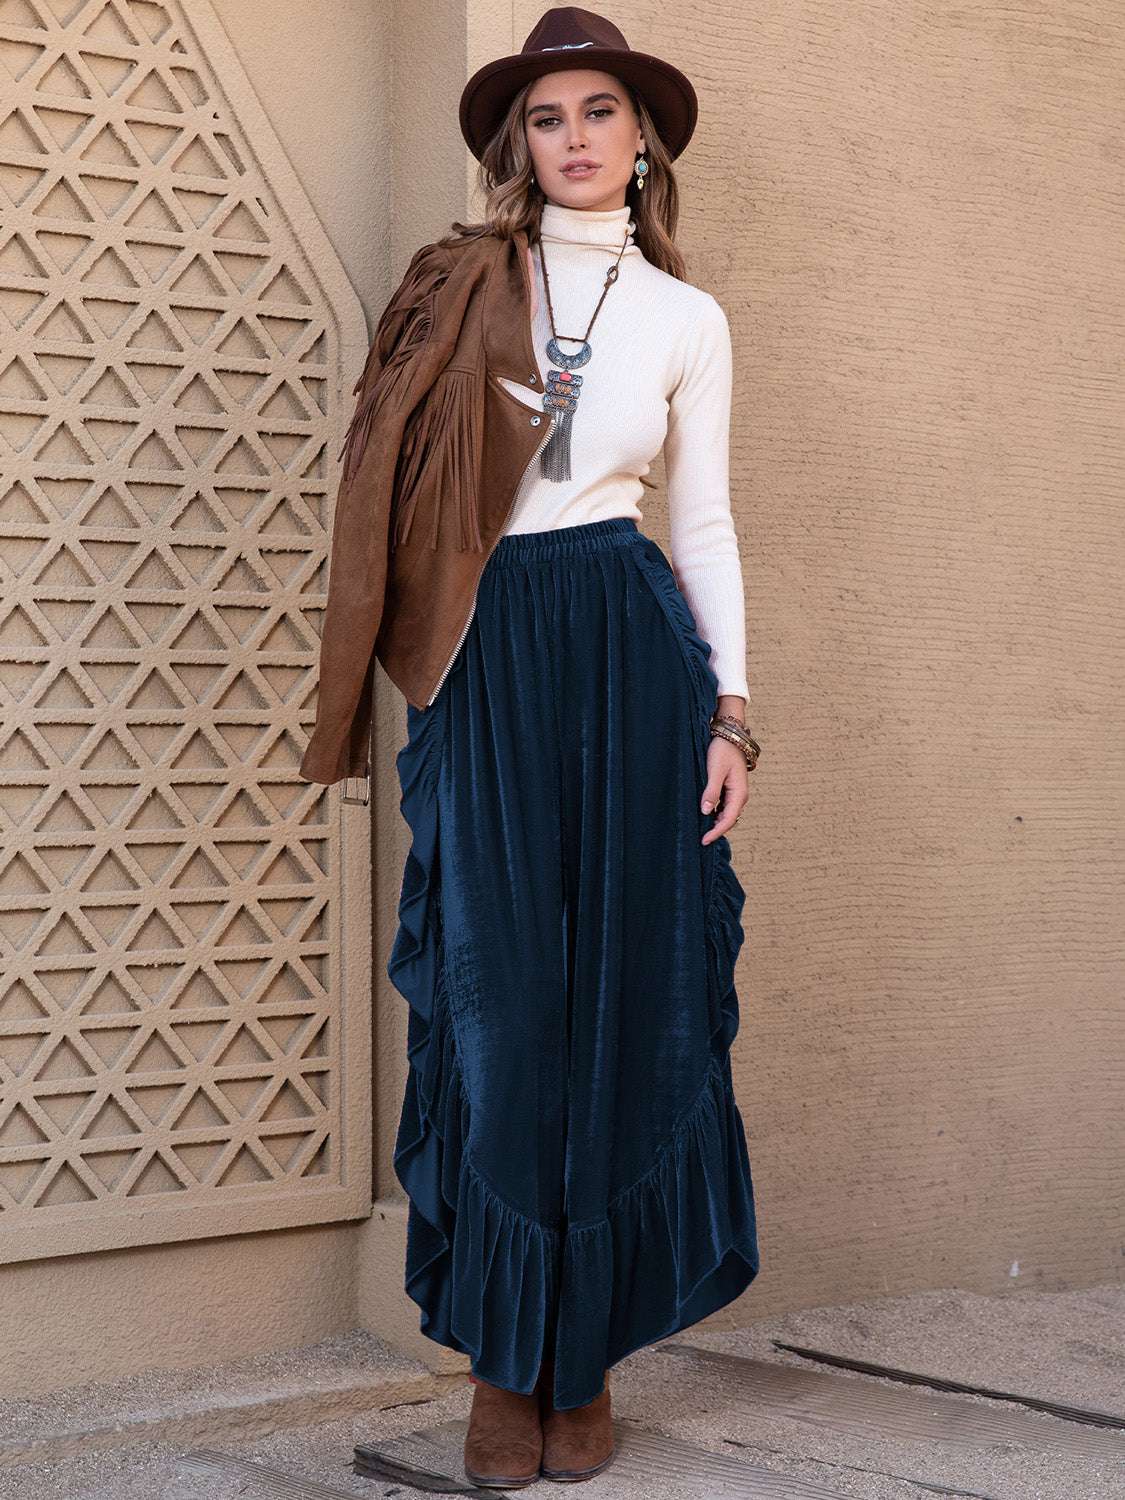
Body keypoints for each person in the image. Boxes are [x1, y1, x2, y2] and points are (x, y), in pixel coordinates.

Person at [300, 6, 763, 1488]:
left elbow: (697, 518)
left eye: (599, 114)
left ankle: (586, 1362)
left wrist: (730, 707)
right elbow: (385, 475)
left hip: (628, 644)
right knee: (500, 1009)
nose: (573, 139)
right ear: (521, 144)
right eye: (548, 117)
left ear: (643, 145)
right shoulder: (455, 284)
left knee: (627, 996)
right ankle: (506, 1361)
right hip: (485, 644)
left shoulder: (689, 320)